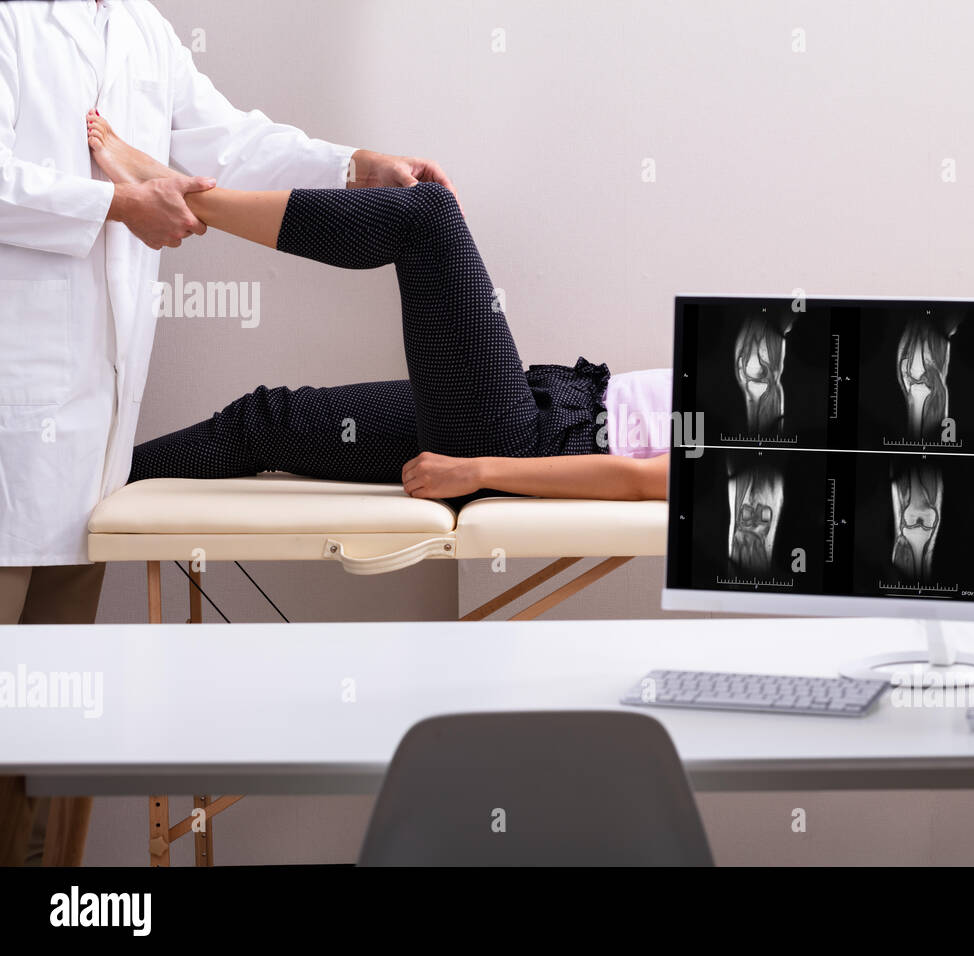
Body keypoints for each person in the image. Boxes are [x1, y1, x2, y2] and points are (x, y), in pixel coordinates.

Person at [0, 0, 454, 866]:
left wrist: (353, 166)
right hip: (8, 426)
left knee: (49, 733)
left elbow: (230, 143)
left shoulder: (137, 26)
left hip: (85, 448)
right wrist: (113, 204)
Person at [85, 113, 673, 501]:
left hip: (532, 446)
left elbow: (650, 483)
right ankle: (86, 493)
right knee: (263, 422)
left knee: (428, 215)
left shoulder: (767, 444)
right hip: (544, 403)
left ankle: (181, 198)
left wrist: (480, 469)